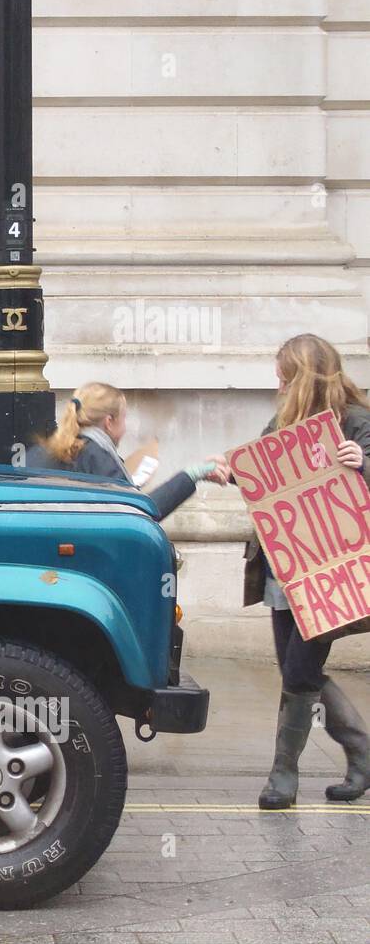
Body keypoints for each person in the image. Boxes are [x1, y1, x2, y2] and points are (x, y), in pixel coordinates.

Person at [238, 334, 370, 809]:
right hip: (282, 571)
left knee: (298, 668)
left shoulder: (356, 421)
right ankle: (360, 751)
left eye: (284, 374)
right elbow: (260, 471)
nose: (277, 382)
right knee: (299, 669)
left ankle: (283, 776)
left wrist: (364, 465)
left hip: (329, 576)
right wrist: (229, 470)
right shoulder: (283, 422)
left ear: (305, 376)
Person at [26, 382, 229, 519]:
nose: (125, 428)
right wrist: (192, 475)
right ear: (109, 422)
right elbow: (141, 514)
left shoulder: (39, 452)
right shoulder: (97, 457)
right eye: (124, 418)